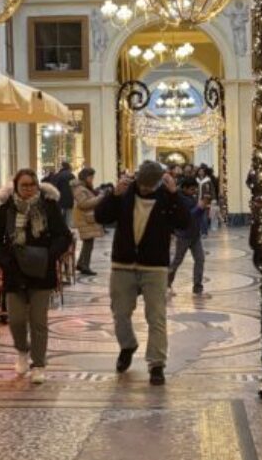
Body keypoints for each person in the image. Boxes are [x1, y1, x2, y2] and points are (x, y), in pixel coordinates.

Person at [95, 161, 190, 386]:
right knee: (120, 313)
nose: (147, 189)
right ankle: (128, 346)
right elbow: (101, 217)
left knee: (156, 316)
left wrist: (175, 194)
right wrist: (113, 196)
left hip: (154, 266)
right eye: (144, 185)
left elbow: (185, 222)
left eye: (151, 186)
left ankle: (156, 364)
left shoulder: (167, 197)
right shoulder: (125, 193)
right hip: (123, 264)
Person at [0, 169, 71, 384]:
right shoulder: (7, 208)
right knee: (15, 319)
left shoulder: (48, 206)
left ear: (37, 185)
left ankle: (39, 364)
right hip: (14, 270)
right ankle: (22, 351)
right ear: (16, 186)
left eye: (32, 184)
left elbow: (64, 235)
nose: (28, 189)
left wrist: (49, 255)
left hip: (42, 271)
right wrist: (4, 260)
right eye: (24, 185)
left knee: (38, 321)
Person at [169, 178, 209, 296]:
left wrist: (202, 207)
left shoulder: (191, 197)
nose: (195, 191)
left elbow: (197, 215)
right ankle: (166, 284)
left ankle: (197, 286)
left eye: (195, 188)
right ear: (184, 188)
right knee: (177, 260)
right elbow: (187, 216)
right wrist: (200, 207)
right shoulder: (180, 199)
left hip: (195, 235)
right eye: (192, 189)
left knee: (200, 259)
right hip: (183, 235)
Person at [70, 167, 105, 276]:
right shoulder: (80, 189)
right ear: (86, 177)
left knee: (88, 243)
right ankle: (85, 265)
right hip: (84, 219)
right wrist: (100, 197)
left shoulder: (84, 187)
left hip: (87, 218)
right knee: (88, 243)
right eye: (91, 177)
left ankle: (81, 263)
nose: (92, 179)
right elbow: (83, 204)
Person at [51, 161, 75, 226]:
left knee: (60, 215)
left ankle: (61, 227)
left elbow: (53, 187)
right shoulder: (71, 175)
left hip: (58, 198)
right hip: (69, 198)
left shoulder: (56, 175)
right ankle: (67, 229)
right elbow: (74, 187)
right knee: (69, 217)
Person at [195, 166, 215, 236]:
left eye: (202, 171)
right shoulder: (195, 180)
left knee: (204, 217)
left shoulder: (208, 180)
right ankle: (198, 231)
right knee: (197, 217)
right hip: (197, 201)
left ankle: (204, 232)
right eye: (200, 171)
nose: (201, 172)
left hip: (205, 200)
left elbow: (212, 190)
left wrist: (213, 199)